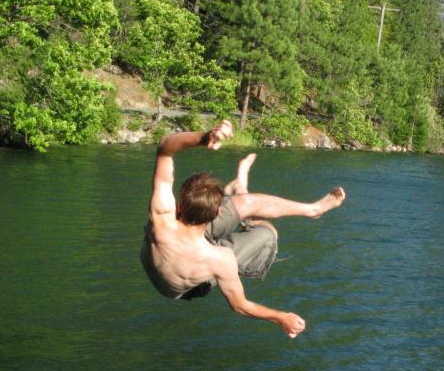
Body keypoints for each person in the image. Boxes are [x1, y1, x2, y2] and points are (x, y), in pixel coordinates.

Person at [140, 120, 346, 338]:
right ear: (217, 213)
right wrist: (280, 317)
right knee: (267, 233)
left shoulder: (161, 217)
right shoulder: (220, 260)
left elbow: (165, 146)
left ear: (179, 206)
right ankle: (241, 197)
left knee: (246, 203)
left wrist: (206, 137)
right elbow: (240, 305)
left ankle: (311, 209)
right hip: (191, 284)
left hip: (180, 240)